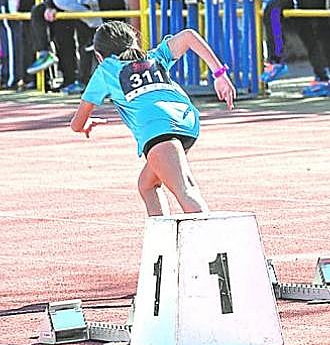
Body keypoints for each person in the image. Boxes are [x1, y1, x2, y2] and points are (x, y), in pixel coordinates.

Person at [70, 23, 235, 216]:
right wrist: (219, 75)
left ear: (99, 56)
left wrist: (84, 125)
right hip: (186, 122)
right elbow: (189, 35)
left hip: (158, 130)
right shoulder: (154, 57)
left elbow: (76, 123)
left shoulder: (106, 70)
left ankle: (210, 243)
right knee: (147, 184)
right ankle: (162, 243)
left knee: (185, 191)